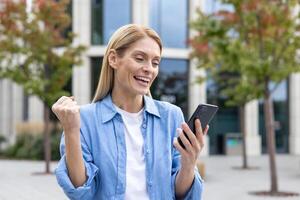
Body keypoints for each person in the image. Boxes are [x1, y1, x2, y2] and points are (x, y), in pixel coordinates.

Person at [52, 24, 208, 200]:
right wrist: (71, 130)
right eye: (140, 58)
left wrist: (189, 163)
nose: (149, 68)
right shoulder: (84, 119)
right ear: (113, 59)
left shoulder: (171, 116)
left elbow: (182, 195)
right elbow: (81, 192)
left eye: (155, 62)